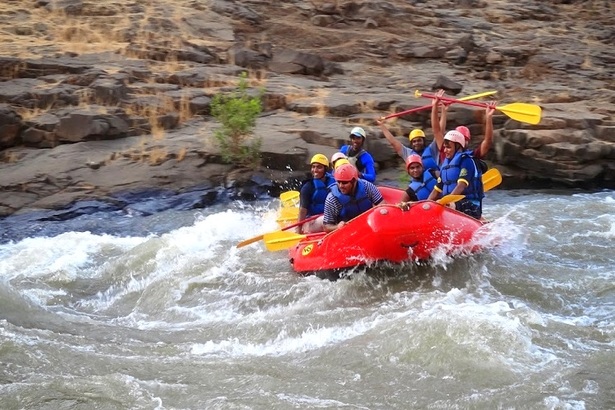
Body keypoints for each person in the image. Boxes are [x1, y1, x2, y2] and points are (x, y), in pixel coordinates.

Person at [376, 95, 443, 175]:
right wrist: (382, 126)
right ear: (411, 143)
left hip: (435, 184)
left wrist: (444, 112)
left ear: (423, 141)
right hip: (419, 186)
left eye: (419, 140)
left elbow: (439, 132)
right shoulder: (407, 153)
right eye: (414, 141)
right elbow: (393, 142)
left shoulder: (432, 149)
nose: (417, 143)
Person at [428, 130, 484, 219]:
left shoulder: (466, 161)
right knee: (434, 206)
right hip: (453, 203)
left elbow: (461, 185)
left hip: (471, 205)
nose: (445, 150)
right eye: (444, 147)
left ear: (458, 147)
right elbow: (436, 190)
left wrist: (448, 201)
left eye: (448, 147)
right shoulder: (445, 166)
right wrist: (426, 204)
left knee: (445, 206)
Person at [322, 163, 384, 232]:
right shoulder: (332, 199)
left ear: (354, 181)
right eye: (338, 182)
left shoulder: (367, 186)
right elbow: (326, 227)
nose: (340, 186)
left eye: (344, 183)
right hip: (348, 232)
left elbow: (382, 204)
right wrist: (337, 227)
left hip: (369, 225)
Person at [435, 96, 497, 162]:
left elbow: (488, 141)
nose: (463, 141)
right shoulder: (445, 152)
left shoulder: (472, 155)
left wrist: (489, 117)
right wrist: (436, 106)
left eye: (465, 139)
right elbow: (437, 131)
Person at [298, 154, 336, 233]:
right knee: (325, 220)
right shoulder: (308, 187)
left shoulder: (333, 182)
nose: (315, 170)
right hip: (311, 221)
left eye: (319, 167)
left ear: (325, 169)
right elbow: (302, 210)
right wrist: (298, 230)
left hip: (329, 218)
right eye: (313, 167)